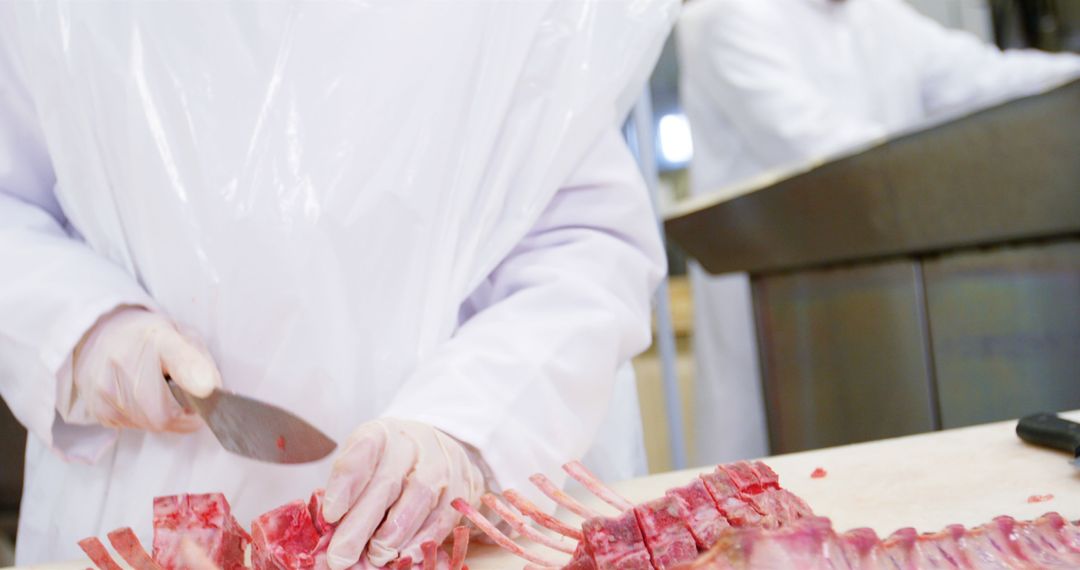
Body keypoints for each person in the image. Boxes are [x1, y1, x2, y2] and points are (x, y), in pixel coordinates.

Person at [0, 1, 678, 566]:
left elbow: (587, 247)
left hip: (441, 530)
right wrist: (81, 327)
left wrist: (467, 424)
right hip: (139, 508)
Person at [677, 0, 1080, 466]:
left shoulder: (881, 16)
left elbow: (984, 77)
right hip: (782, 310)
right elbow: (818, 148)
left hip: (891, 298)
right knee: (781, 490)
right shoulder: (725, 17)